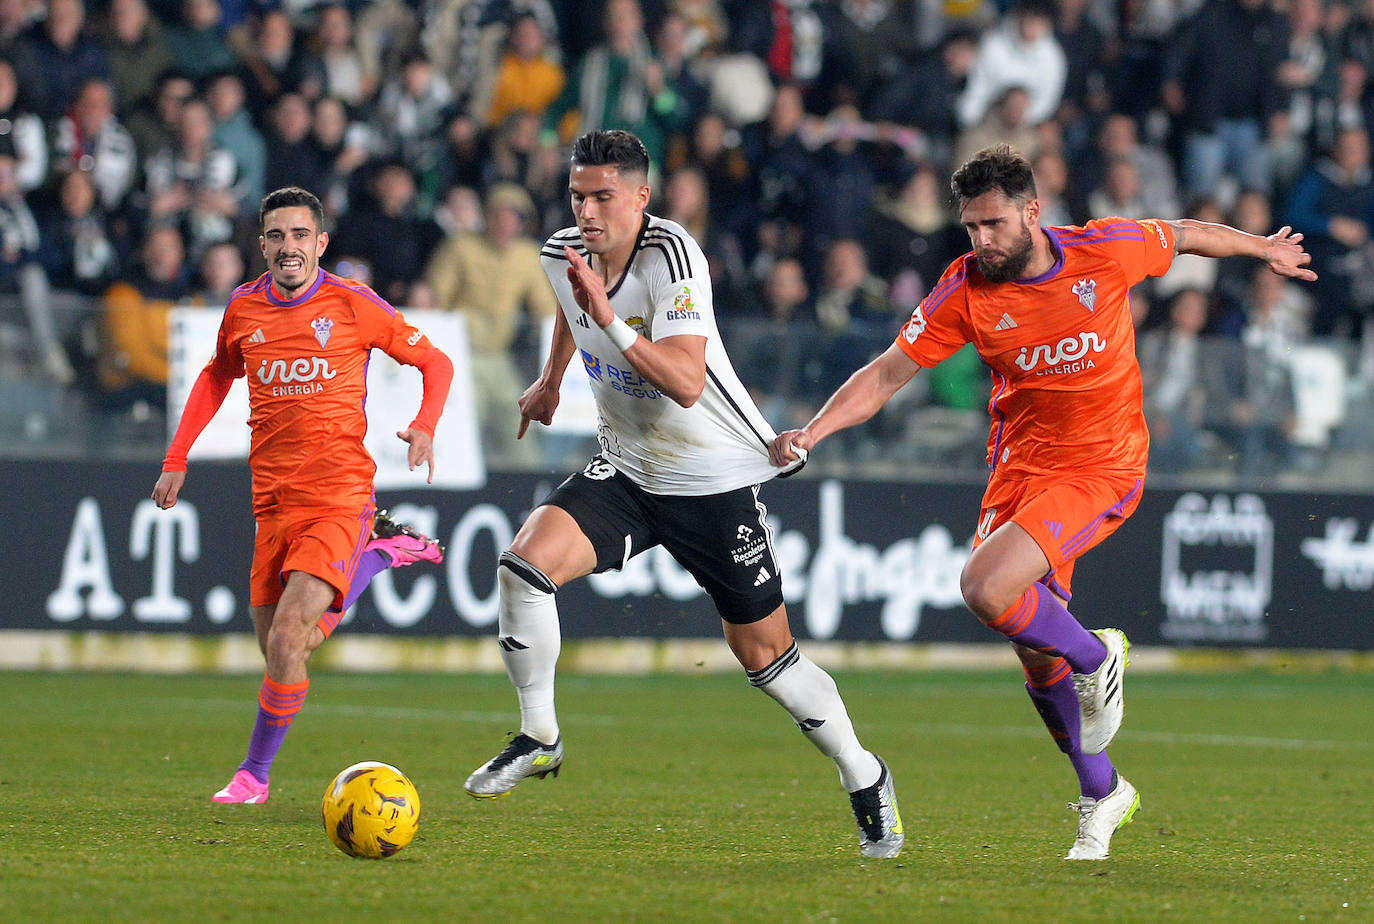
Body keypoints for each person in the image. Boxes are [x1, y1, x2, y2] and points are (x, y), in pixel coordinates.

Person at [769, 144, 1315, 860]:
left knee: (986, 587)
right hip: (1019, 470)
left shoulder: (1105, 249)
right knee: (1032, 649)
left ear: (1033, 211)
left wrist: (1260, 248)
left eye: (993, 224)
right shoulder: (964, 287)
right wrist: (814, 430)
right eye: (971, 227)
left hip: (1103, 462)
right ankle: (1103, 793)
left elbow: (1180, 233)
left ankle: (1098, 654)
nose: (981, 241)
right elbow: (886, 374)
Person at [463, 130, 904, 860]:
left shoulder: (674, 256)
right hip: (631, 468)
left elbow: (686, 380)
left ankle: (864, 774)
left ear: (641, 196)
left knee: (769, 661)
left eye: (604, 196)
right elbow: (575, 310)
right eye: (578, 195)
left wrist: (606, 316)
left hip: (714, 480)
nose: (588, 210)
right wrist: (550, 380)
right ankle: (539, 734)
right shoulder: (559, 252)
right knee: (523, 568)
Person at [151, 186, 454, 804]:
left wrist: (424, 424)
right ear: (262, 246)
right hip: (272, 501)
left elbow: (438, 363)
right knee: (282, 652)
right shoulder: (243, 309)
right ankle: (383, 553)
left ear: (320, 243)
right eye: (276, 236)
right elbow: (215, 376)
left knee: (289, 640)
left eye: (300, 236)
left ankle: (252, 776)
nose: (289, 248)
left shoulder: (353, 305)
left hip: (340, 494)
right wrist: (176, 458)